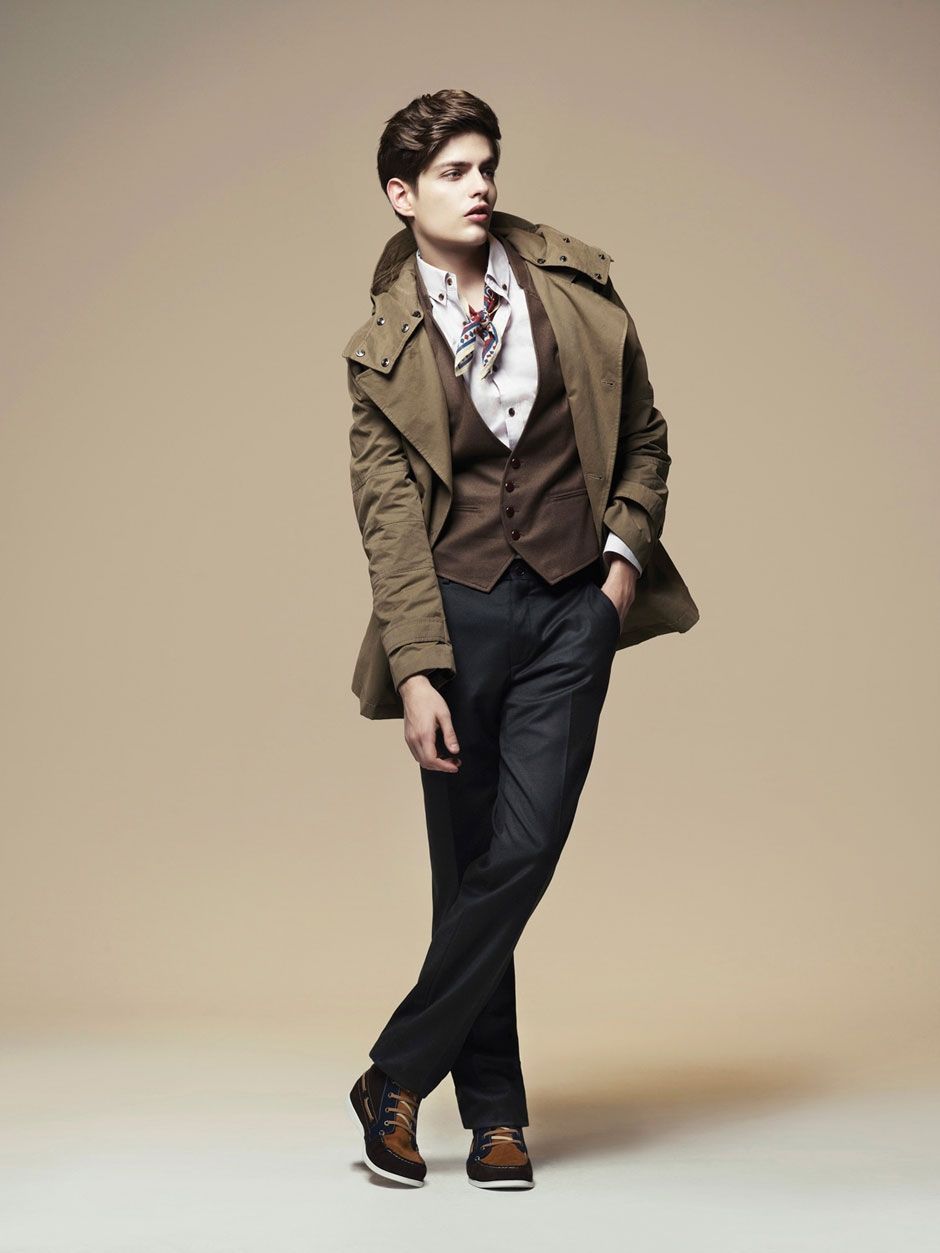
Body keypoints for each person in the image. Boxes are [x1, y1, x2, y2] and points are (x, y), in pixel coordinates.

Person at [341, 89, 699, 1189]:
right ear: (402, 196)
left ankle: (395, 1073)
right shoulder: (382, 350)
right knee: (472, 868)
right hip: (455, 619)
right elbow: (388, 518)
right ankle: (495, 1115)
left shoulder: (574, 290)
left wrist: (618, 572)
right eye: (452, 171)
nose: (480, 185)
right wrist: (416, 669)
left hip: (569, 606)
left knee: (526, 844)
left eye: (485, 164)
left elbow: (644, 437)